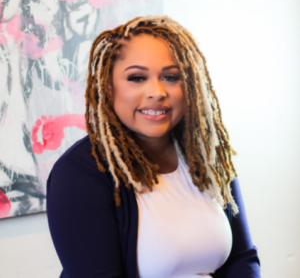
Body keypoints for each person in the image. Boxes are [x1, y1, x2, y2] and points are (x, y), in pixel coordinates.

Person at [47, 15, 261, 278]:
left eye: (171, 77)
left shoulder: (207, 155)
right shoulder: (79, 173)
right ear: (108, 86)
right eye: (137, 78)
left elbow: (242, 257)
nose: (157, 91)